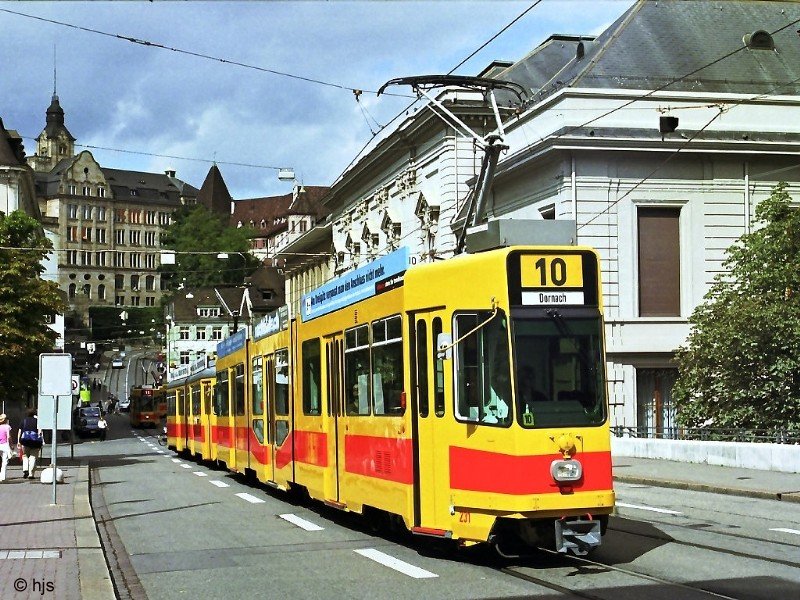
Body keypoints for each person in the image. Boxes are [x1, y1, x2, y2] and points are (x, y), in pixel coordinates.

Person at [18, 408, 43, 480]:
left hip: (25, 441)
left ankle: (25, 469)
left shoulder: (24, 421)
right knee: (33, 457)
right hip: (35, 442)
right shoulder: (38, 421)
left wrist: (18, 441)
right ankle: (31, 474)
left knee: (25, 456)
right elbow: (40, 432)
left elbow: (19, 432)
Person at [0, 414, 12, 482]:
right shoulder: (7, 427)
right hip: (4, 445)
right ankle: (2, 477)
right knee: (4, 461)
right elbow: (9, 437)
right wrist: (11, 445)